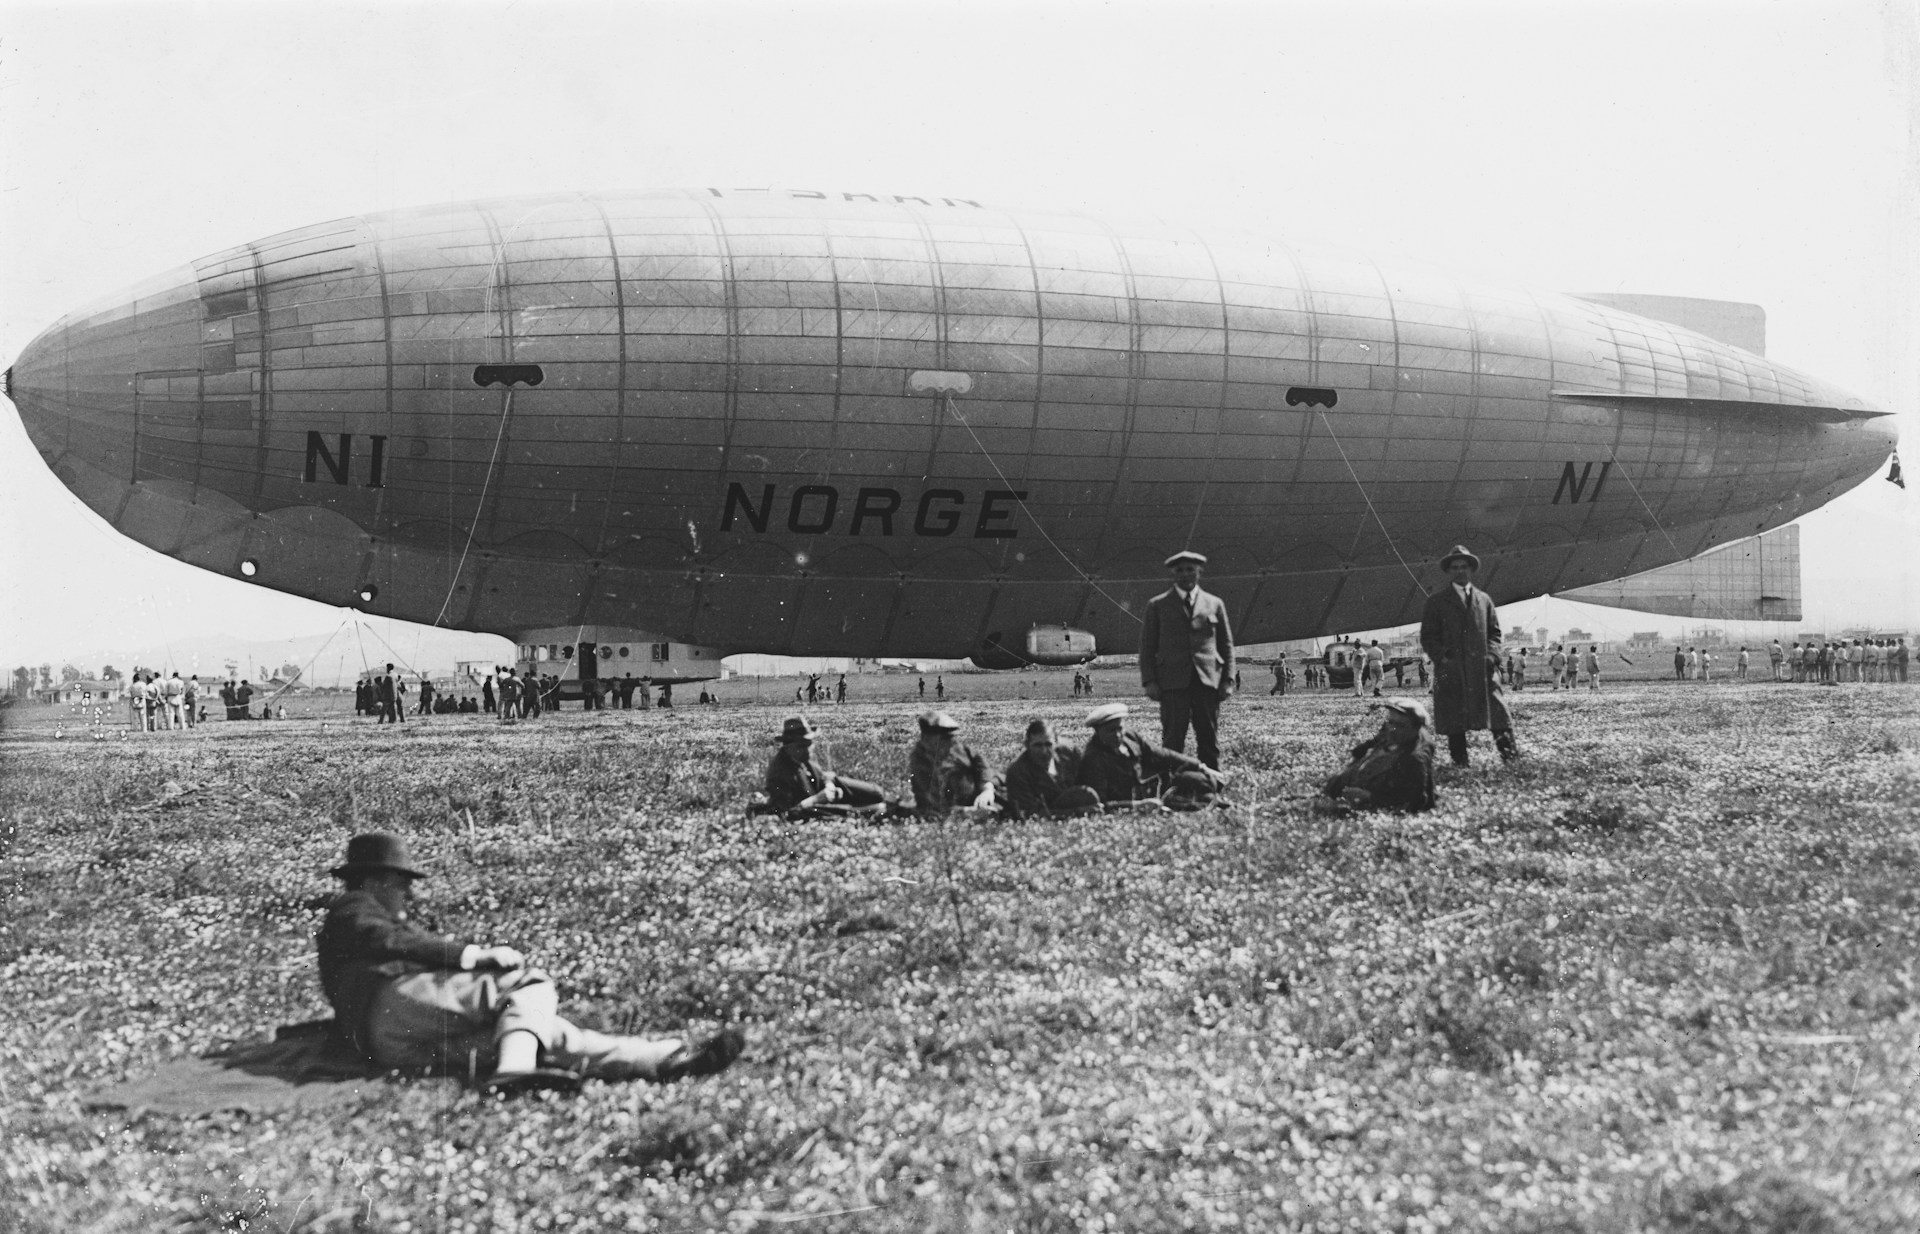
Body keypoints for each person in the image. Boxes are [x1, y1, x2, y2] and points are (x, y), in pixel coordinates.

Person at [317, 832, 742, 1093]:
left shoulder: (363, 912)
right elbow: (387, 938)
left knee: (536, 1035)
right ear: (373, 880)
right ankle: (515, 1070)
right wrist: (473, 955)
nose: (407, 894)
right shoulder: (354, 906)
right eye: (400, 883)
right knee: (525, 983)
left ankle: (665, 1059)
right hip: (389, 1006)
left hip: (385, 1044)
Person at [1417, 545, 1518, 766]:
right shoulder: (1436, 602)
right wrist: (1443, 659)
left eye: (1464, 566)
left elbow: (1494, 633)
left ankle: (1511, 759)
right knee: (1455, 719)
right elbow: (1428, 637)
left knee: (1498, 713)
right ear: (1449, 571)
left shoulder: (1484, 600)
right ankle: (1460, 762)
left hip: (1482, 669)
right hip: (1452, 670)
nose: (1460, 571)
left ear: (1471, 569)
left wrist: (1492, 656)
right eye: (1455, 567)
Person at [1138, 550, 1234, 770]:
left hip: (1207, 681)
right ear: (1173, 574)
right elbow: (1147, 646)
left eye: (1190, 569)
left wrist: (1227, 679)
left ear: (1199, 572)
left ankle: (1211, 786)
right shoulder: (1157, 605)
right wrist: (1149, 681)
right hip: (1171, 682)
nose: (1185, 574)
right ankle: (1171, 787)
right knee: (1172, 740)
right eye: (1180, 570)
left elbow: (1226, 645)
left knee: (1209, 738)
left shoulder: (1214, 604)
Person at [1077, 702, 1226, 809]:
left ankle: (1210, 801)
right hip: (1132, 801)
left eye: (1119, 728)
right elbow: (1101, 803)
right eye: (1110, 731)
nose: (1117, 735)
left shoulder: (1129, 736)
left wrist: (1201, 766)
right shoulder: (1093, 759)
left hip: (1154, 790)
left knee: (1205, 780)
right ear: (1097, 731)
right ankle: (1208, 803)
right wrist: (1138, 806)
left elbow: (1160, 754)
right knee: (1201, 795)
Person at [760, 716, 893, 816]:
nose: (808, 749)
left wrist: (829, 785)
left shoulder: (804, 754)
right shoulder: (779, 773)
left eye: (809, 744)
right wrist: (818, 799)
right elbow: (786, 812)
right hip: (812, 806)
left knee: (877, 793)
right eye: (802, 746)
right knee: (875, 810)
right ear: (788, 746)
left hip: (827, 790)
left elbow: (823, 775)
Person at [1321, 699, 1436, 812]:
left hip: (1378, 794)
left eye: (1400, 725)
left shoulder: (1415, 758)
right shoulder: (1395, 732)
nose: (1392, 729)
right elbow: (1377, 739)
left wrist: (1368, 797)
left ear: (1416, 728)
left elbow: (1416, 800)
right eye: (1390, 722)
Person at [1003, 719, 1101, 819]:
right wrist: (1077, 812)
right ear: (1027, 745)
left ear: (1056, 743)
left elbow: (1087, 781)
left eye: (1048, 744)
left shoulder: (1069, 753)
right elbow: (1028, 813)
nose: (1044, 751)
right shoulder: (1017, 772)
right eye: (1037, 745)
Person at [909, 711, 998, 814]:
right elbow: (935, 804)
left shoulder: (956, 747)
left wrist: (987, 789)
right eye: (943, 739)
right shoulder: (921, 762)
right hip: (961, 806)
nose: (950, 742)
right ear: (926, 738)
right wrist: (969, 811)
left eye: (949, 738)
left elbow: (980, 763)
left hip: (983, 793)